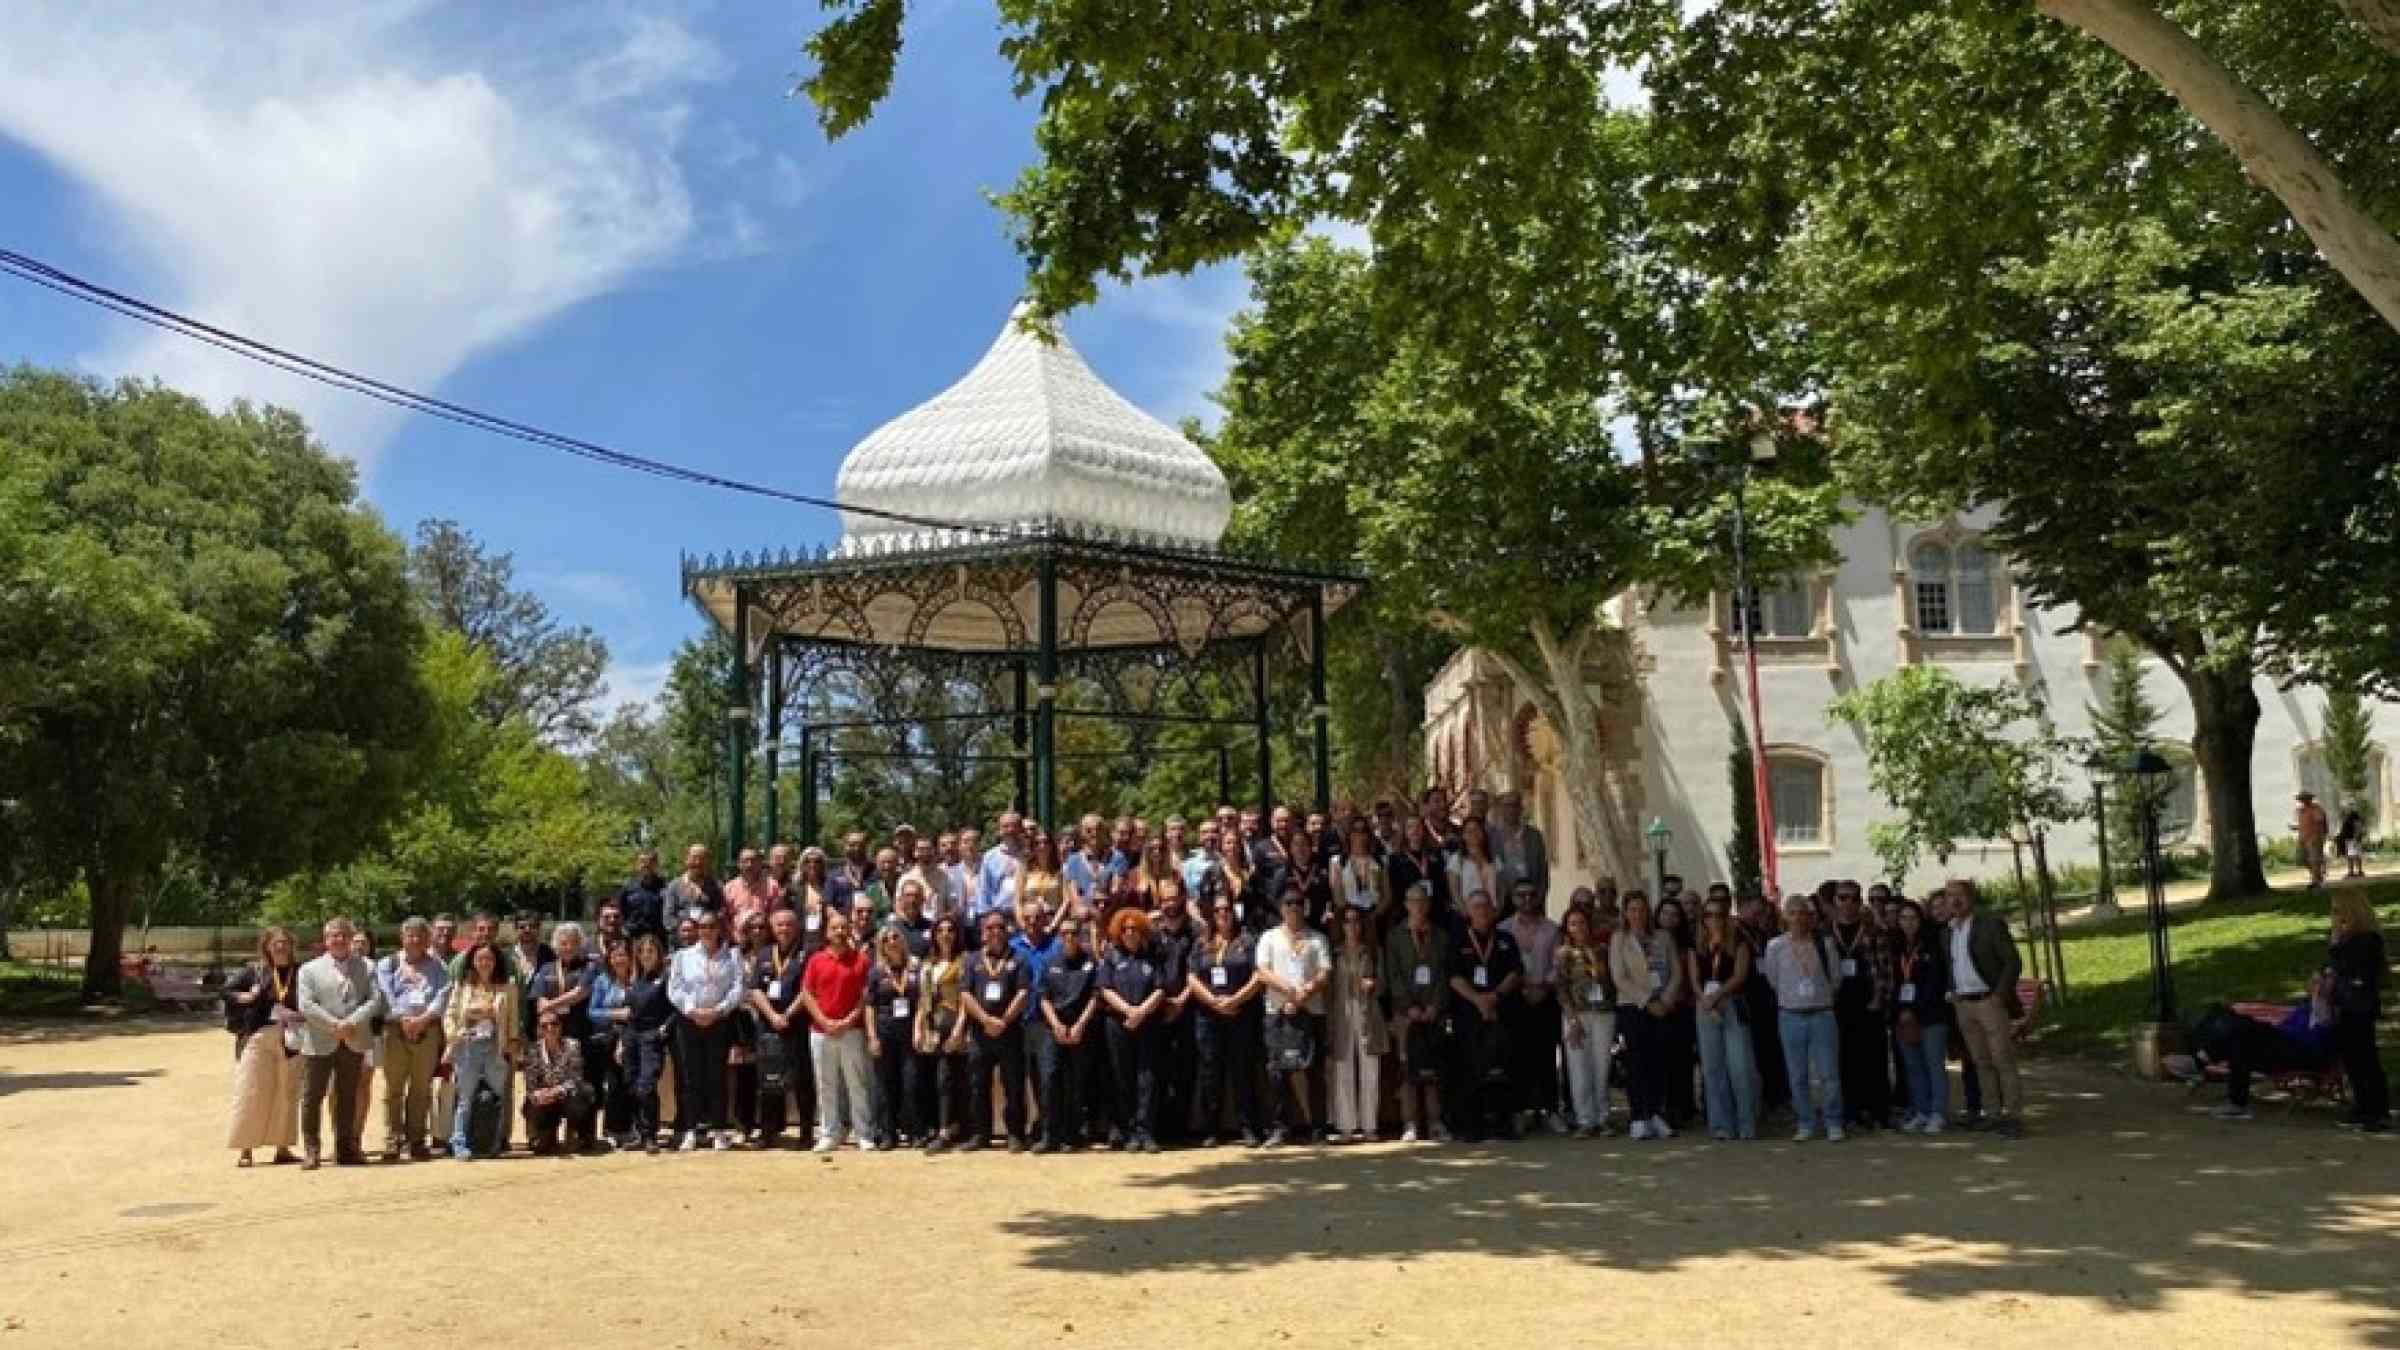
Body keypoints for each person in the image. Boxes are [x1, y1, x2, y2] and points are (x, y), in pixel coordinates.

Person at [1945, 879, 2027, 1138]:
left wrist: (2000, 996)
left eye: (1960, 895)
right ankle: (1992, 1113)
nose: (1955, 901)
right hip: (1964, 1004)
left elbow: (2012, 961)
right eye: (1950, 897)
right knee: (1981, 1062)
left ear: (1971, 898)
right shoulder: (1948, 931)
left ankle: (2013, 1116)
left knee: (2002, 1059)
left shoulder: (1989, 924)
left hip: (1988, 1001)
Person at [296, 917, 381, 1169]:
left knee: (348, 1096)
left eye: (344, 935)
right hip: (320, 1040)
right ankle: (312, 1149)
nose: (339, 939)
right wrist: (334, 1025)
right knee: (312, 1097)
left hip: (353, 1040)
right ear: (326, 940)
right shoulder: (309, 970)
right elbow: (306, 1005)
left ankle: (345, 1148)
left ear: (351, 938)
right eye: (334, 935)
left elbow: (375, 1000)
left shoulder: (368, 967)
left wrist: (351, 1023)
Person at [1761, 895, 1846, 1142]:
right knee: (1797, 1075)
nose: (1798, 918)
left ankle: (1833, 1121)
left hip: (1822, 1015)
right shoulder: (1775, 947)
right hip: (1790, 1016)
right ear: (1785, 917)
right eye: (1793, 912)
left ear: (1811, 917)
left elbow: (1836, 978)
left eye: (1803, 913)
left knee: (1828, 1073)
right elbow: (1773, 979)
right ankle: (1805, 1122)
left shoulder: (1825, 944)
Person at [1256, 887, 1332, 1145]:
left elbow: (1324, 972)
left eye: (1299, 903)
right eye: (1288, 903)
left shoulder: (1317, 938)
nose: (1294, 908)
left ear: (1306, 907)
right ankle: (1280, 1129)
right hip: (1278, 1012)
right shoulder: (1268, 937)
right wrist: (1290, 992)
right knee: (1277, 1072)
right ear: (1281, 908)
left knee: (1315, 1072)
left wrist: (1304, 993)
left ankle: (1319, 1129)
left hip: (1312, 1011)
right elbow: (1262, 972)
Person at [224, 926, 304, 1167]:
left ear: (291, 946)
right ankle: (246, 1150)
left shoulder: (301, 972)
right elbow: (226, 991)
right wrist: (244, 997)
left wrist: (300, 1014)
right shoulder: (254, 971)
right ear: (267, 946)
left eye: (285, 943)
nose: (280, 947)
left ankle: (283, 1148)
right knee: (251, 1091)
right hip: (258, 1036)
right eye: (276, 943)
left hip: (292, 1037)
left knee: (287, 1092)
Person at [668, 910, 747, 1151]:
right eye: (702, 927)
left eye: (711, 926)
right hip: (689, 1022)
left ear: (719, 929)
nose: (707, 931)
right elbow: (675, 989)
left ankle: (719, 1130)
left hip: (720, 1021)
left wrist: (719, 1010)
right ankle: (691, 1130)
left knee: (717, 1077)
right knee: (691, 1077)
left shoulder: (732, 956)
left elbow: (738, 988)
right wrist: (693, 1011)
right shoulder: (683, 956)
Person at [1450, 890, 1525, 1141]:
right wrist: (1478, 1000)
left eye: (1485, 906)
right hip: (1469, 1015)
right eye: (1476, 907)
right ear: (1468, 912)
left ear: (1493, 911)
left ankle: (1503, 1123)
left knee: (1503, 1067)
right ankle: (1473, 1125)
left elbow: (1515, 973)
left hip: (1501, 1012)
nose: (1481, 911)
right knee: (1471, 1069)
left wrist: (1494, 998)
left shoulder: (1506, 939)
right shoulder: (1458, 940)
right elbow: (1453, 977)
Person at [375, 916, 451, 1162]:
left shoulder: (438, 967)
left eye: (420, 935)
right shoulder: (388, 964)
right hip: (395, 1032)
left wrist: (423, 1019)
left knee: (421, 1088)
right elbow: (385, 994)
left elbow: (442, 995)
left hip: (426, 1032)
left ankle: (417, 1139)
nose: (415, 940)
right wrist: (404, 1019)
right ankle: (392, 1139)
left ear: (428, 939)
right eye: (411, 935)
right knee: (394, 1088)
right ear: (402, 938)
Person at [1190, 896, 1265, 1146]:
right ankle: (1211, 1129)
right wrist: (1213, 1001)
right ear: (1212, 914)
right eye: (1218, 910)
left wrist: (1235, 1001)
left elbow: (1258, 976)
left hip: (1240, 1014)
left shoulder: (1247, 941)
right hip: (1209, 1017)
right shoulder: (1202, 942)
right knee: (1211, 1071)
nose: (1223, 913)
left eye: (1227, 910)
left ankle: (1247, 1127)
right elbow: (1191, 978)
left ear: (1234, 913)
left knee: (1242, 1070)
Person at [797, 911, 874, 1152]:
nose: (840, 932)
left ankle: (864, 1132)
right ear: (827, 933)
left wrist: (849, 1021)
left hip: (852, 1030)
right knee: (825, 1083)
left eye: (844, 928)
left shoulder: (861, 960)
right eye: (835, 928)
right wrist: (823, 1020)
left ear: (849, 930)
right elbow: (807, 994)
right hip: (821, 1031)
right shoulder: (816, 960)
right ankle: (829, 1132)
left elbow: (865, 996)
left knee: (856, 1082)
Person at [1607, 892, 1681, 1141]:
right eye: (1632, 909)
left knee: (1659, 1061)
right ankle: (1639, 1116)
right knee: (1636, 1062)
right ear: (1625, 913)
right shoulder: (1620, 939)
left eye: (1641, 909)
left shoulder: (1663, 937)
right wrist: (1647, 1001)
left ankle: (1656, 1114)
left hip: (1662, 1006)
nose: (1637, 914)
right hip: (1633, 1006)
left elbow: (1676, 972)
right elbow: (1619, 977)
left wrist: (1667, 1000)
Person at [1687, 896, 1759, 1141]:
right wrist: (1705, 1000)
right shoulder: (1697, 945)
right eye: (1708, 915)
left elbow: (1739, 975)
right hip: (1706, 1008)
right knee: (1712, 1069)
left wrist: (1717, 995)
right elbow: (1695, 979)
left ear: (1726, 916)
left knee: (1740, 1068)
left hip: (1732, 1005)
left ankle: (1746, 1124)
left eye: (1718, 914)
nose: (1713, 920)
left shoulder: (1738, 941)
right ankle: (1721, 1125)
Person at [1097, 908, 1167, 1152]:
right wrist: (1128, 1011)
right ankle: (1128, 1133)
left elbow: (1160, 989)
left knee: (1147, 1078)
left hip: (1147, 1024)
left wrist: (1141, 1012)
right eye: (1125, 929)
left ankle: (1146, 1132)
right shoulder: (1112, 957)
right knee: (1122, 1077)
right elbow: (1105, 989)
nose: (1129, 933)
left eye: (1134, 928)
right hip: (1118, 1024)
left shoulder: (1153, 957)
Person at [443, 941, 519, 1160]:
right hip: (468, 1046)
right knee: (465, 1098)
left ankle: (492, 1143)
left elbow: (513, 1018)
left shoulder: (508, 986)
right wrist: (454, 1034)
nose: (484, 963)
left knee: (497, 1096)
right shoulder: (462, 986)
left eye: (489, 959)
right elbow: (449, 1014)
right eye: (480, 959)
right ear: (472, 962)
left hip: (495, 1046)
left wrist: (511, 1042)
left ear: (496, 962)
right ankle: (459, 1143)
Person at [962, 911, 1031, 1151]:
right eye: (990, 928)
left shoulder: (1019, 959)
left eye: (1000, 927)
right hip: (980, 1032)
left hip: (1010, 1032)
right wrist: (985, 1020)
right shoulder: (972, 960)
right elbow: (965, 994)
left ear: (1007, 930)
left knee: (1013, 1083)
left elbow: (1023, 993)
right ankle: (981, 1134)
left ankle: (1015, 1134)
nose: (995, 932)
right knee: (978, 1083)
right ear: (983, 932)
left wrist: (1003, 1020)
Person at [1035, 917, 1105, 1152]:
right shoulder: (1048, 962)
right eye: (1064, 933)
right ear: (1058, 937)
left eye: (1074, 933)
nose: (1069, 937)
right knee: (1049, 1079)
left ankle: (1071, 1135)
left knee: (1076, 1083)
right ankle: (1048, 1135)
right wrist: (1056, 1025)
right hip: (1052, 1027)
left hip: (1080, 1028)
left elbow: (1095, 997)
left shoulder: (1090, 963)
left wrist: (1080, 1025)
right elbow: (1043, 998)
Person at [1827, 883, 1893, 1130]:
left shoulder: (1874, 931)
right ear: (1835, 901)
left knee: (1874, 1059)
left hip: (1869, 1003)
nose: (1848, 903)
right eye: (1842, 898)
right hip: (1838, 1005)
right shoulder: (1826, 932)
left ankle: (1878, 1113)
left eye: (1854, 898)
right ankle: (1851, 1112)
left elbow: (1886, 969)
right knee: (1845, 1060)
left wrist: (1880, 997)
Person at [2327, 892, 2391, 1132]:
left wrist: (2336, 947)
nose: (2335, 917)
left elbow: (2352, 968)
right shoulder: (2347, 939)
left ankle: (2376, 1110)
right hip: (2346, 1005)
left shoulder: (2367, 940)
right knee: (2352, 1059)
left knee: (2365, 1059)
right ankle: (2362, 1105)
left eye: (2338, 911)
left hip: (2360, 1007)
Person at [1506, 876, 1565, 1133]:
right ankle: (1520, 1111)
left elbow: (1559, 964)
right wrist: (1521, 987)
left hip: (1545, 999)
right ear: (1513, 899)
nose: (1527, 900)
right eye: (1521, 895)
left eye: (1531, 894)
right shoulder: (1504, 929)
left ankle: (1551, 1110)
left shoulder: (1552, 929)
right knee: (1518, 1056)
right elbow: (1503, 965)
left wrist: (1544, 986)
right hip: (1516, 1000)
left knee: (1546, 1056)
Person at [1326, 904, 1390, 1142]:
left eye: (1356, 921)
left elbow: (1385, 985)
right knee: (1342, 1069)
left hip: (1368, 1014)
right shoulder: (1334, 953)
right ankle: (1346, 1126)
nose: (1352, 926)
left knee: (1370, 1069)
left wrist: (1374, 985)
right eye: (1347, 921)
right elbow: (1327, 990)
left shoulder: (1373, 950)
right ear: (1341, 925)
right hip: (1341, 1013)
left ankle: (1370, 1126)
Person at [748, 907, 811, 1147]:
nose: (784, 929)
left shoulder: (807, 954)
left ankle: (806, 1133)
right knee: (768, 1080)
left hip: (797, 1023)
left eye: (789, 924)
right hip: (768, 1025)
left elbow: (808, 990)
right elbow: (755, 989)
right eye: (779, 925)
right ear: (772, 929)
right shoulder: (764, 954)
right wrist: (772, 1015)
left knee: (802, 1080)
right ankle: (768, 1132)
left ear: (797, 927)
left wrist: (786, 1014)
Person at [1889, 899, 1953, 1132]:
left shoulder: (1932, 946)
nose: (1908, 923)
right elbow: (1893, 982)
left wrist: (1914, 1010)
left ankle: (1938, 1112)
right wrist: (1900, 1012)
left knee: (1933, 1064)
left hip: (1930, 1015)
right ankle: (1922, 1110)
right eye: (1903, 918)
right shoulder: (1895, 947)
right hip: (1903, 1016)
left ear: (1921, 920)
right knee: (1913, 1066)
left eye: (1913, 918)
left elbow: (1934, 983)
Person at [1554, 904, 1614, 1138]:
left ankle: (1603, 1118)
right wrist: (1572, 1019)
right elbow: (1561, 988)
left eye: (1582, 922)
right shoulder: (1563, 954)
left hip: (1603, 1013)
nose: (1578, 927)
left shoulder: (1603, 950)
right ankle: (1585, 1120)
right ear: (1567, 928)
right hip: (1577, 1014)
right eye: (1573, 923)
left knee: (1602, 1066)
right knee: (1579, 1067)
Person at [864, 923, 919, 1148]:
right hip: (885, 1032)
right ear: (881, 945)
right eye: (886, 939)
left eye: (895, 937)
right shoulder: (876, 972)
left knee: (911, 1083)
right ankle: (887, 1133)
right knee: (884, 1085)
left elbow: (922, 1002)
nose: (892, 942)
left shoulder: (915, 968)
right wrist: (872, 1037)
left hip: (909, 1034)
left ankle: (915, 1131)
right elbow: (869, 1006)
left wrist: (918, 1029)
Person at [622, 933, 675, 1152]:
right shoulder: (635, 980)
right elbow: (629, 1013)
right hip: (632, 1036)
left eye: (650, 951)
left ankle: (651, 1135)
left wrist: (665, 1028)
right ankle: (639, 1134)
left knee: (647, 1085)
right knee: (632, 1085)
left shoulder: (666, 978)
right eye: (642, 951)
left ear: (658, 953)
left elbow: (676, 1007)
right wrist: (621, 1041)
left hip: (652, 1036)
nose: (646, 955)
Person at [586, 941, 638, 1148]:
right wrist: (616, 1014)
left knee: (632, 1083)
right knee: (613, 1085)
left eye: (624, 955)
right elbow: (592, 1012)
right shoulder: (602, 981)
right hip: (608, 1039)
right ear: (609, 959)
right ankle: (612, 1129)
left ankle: (632, 1128)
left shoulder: (637, 981)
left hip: (633, 1037)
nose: (620, 959)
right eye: (615, 955)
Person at [521, 1009, 593, 1154]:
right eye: (544, 1025)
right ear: (538, 1029)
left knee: (584, 1091)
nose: (550, 1028)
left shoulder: (573, 1046)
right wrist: (540, 1094)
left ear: (560, 1026)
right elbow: (530, 1084)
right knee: (530, 1103)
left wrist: (557, 1091)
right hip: (545, 1100)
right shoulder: (532, 1050)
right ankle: (540, 1136)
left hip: (566, 1097)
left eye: (554, 1023)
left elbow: (576, 1078)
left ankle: (577, 1134)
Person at [1489, 789, 1550, 913]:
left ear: (1521, 808)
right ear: (1501, 809)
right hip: (1504, 899)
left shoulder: (1534, 836)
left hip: (1530, 898)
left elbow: (1543, 869)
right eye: (1507, 805)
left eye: (1514, 805)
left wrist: (1540, 897)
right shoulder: (1492, 837)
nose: (1511, 809)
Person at [1447, 817, 1502, 928]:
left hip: (1491, 915)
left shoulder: (1494, 859)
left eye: (1477, 829)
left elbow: (1502, 888)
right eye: (1469, 831)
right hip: (1467, 917)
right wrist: (1465, 913)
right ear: (1463, 835)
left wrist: (1498, 910)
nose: (1473, 833)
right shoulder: (1456, 859)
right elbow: (1454, 890)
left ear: (1483, 833)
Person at [667, 844, 727, 922]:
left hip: (708, 932)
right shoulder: (674, 886)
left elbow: (721, 913)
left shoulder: (717, 886)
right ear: (686, 859)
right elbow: (668, 918)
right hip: (682, 932)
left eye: (702, 858)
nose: (698, 862)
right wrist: (685, 928)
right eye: (694, 858)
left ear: (707, 861)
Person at [619, 849, 670, 940]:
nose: (646, 865)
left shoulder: (665, 887)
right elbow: (620, 911)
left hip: (658, 938)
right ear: (636, 864)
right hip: (632, 937)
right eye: (642, 861)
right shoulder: (627, 887)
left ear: (656, 865)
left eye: (650, 861)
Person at [2296, 792, 2331, 890]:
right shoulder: (2301, 811)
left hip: (2313, 838)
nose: (2302, 801)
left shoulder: (2316, 809)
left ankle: (2316, 881)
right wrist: (2297, 828)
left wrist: (2319, 836)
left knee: (2314, 860)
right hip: (2303, 838)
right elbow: (2303, 824)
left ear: (2309, 799)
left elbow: (2319, 822)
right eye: (2301, 799)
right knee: (2302, 859)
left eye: (2304, 799)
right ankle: (2317, 877)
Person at [2336, 807, 2367, 880]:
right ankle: (2354, 871)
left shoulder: (2353, 818)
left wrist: (2356, 838)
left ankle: (2354, 872)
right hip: (2350, 839)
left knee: (2353, 856)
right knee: (2353, 856)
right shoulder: (2349, 819)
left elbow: (2358, 828)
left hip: (2353, 840)